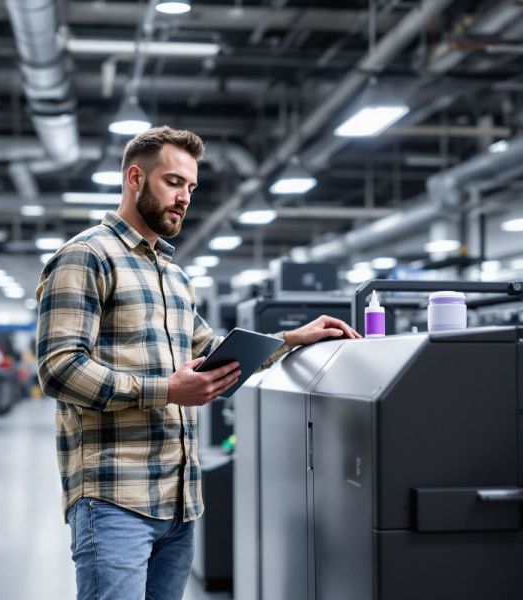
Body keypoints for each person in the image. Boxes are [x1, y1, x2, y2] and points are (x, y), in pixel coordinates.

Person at [35, 125, 359, 600]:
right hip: (113, 499)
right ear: (135, 179)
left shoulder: (175, 276)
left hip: (178, 502)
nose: (185, 196)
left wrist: (293, 338)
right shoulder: (86, 257)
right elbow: (59, 368)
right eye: (172, 182)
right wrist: (166, 390)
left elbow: (213, 351)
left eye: (191, 187)